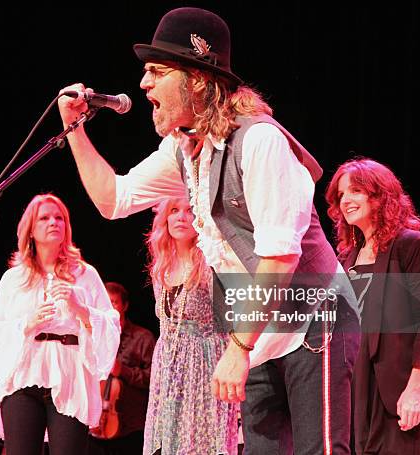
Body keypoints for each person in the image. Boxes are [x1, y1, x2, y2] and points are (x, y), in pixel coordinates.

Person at [57, 7, 359, 454]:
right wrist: (73, 128)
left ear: (198, 79)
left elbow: (280, 257)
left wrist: (236, 349)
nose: (144, 85)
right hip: (258, 328)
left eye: (157, 72)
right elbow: (113, 199)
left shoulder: (259, 141)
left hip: (314, 318)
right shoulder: (182, 148)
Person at [325, 158, 420, 454]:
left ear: (380, 196)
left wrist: (415, 389)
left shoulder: (411, 244)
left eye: (355, 191)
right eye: (341, 195)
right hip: (358, 392)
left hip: (401, 390)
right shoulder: (347, 258)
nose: (346, 201)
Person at [0, 193, 120, 455]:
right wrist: (27, 323)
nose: (53, 222)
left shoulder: (84, 274)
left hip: (70, 374)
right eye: (45, 218)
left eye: (59, 218)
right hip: (25, 373)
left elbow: (111, 326)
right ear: (31, 230)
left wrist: (80, 308)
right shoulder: (14, 278)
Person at [144, 197, 239, 455]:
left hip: (204, 366)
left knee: (200, 445)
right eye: (174, 211)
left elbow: (231, 323)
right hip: (167, 369)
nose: (181, 217)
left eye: (189, 211)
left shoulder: (211, 265)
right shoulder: (160, 268)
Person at [87, 281, 156, 455]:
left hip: (131, 426)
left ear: (124, 306)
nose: (109, 308)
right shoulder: (90, 338)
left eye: (114, 303)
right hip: (95, 426)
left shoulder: (143, 338)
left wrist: (123, 371)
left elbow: (154, 380)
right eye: (104, 303)